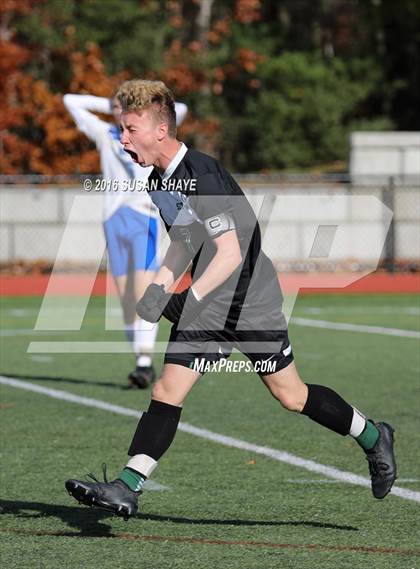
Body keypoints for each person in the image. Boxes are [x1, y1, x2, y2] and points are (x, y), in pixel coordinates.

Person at [66, 80, 397, 520]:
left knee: (291, 395)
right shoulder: (157, 180)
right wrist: (160, 288)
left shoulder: (203, 176)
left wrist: (187, 300)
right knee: (167, 388)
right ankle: (127, 487)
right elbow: (185, 240)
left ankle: (374, 437)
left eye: (129, 129)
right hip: (208, 299)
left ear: (161, 130)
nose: (122, 138)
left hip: (249, 299)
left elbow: (231, 254)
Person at [63, 92, 188, 388]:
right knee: (126, 298)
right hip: (114, 219)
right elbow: (70, 101)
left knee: (144, 292)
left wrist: (144, 105)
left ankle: (145, 363)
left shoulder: (147, 133)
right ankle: (140, 361)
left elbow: (178, 108)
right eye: (120, 107)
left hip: (144, 215)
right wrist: (108, 104)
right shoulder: (107, 134)